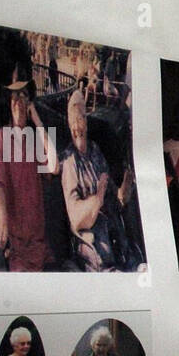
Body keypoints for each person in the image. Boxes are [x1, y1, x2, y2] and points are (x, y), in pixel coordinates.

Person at [61, 90, 142, 271]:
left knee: (138, 264)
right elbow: (76, 219)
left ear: (87, 122)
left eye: (81, 118)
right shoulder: (69, 161)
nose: (77, 126)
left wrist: (124, 190)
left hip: (114, 234)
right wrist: (96, 199)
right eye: (73, 120)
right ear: (68, 124)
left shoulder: (95, 150)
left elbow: (115, 197)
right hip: (92, 244)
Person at [0, 64, 55, 271]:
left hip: (38, 241)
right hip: (18, 243)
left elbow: (54, 167)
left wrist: (37, 119)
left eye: (23, 96)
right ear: (9, 104)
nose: (18, 102)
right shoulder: (3, 136)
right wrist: (1, 217)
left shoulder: (35, 139)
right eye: (14, 97)